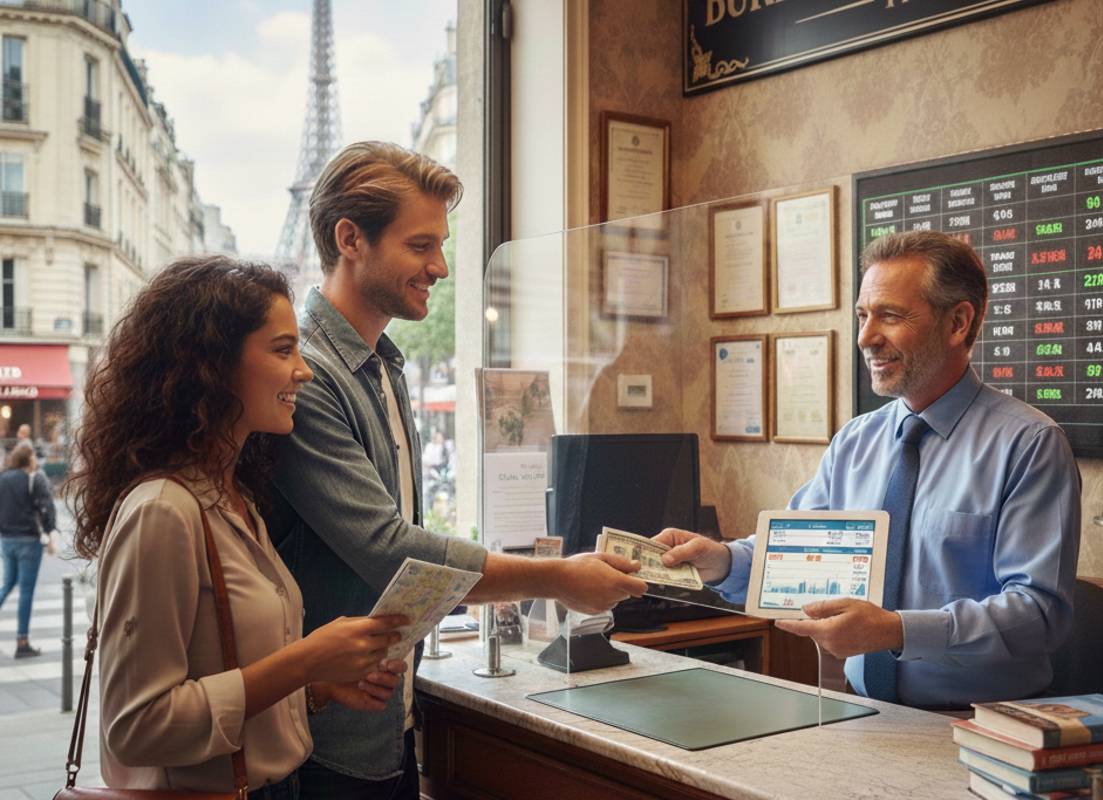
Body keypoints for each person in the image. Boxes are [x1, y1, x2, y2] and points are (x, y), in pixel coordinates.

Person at [267, 141, 647, 799]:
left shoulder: (384, 366)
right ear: (349, 238)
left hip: (386, 721)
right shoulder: (311, 380)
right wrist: (557, 578)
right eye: (420, 246)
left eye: (440, 246)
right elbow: (390, 550)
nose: (439, 266)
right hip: (326, 748)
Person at [657, 230, 1081, 709]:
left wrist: (898, 630)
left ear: (958, 322)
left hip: (983, 729)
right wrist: (722, 561)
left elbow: (1040, 612)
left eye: (890, 316)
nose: (865, 338)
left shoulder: (1029, 444)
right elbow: (792, 555)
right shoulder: (856, 440)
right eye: (862, 316)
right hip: (860, 710)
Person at [66, 257, 413, 797]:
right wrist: (306, 659)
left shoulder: (235, 499)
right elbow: (137, 728)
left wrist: (318, 685)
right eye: (282, 350)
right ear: (211, 364)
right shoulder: (163, 510)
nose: (304, 370)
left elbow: (226, 682)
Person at [0, 443, 56, 658]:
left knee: (7, 584)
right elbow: (46, 507)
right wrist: (51, 535)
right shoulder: (34, 478)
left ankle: (23, 639)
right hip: (28, 541)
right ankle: (22, 641)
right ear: (28, 458)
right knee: (26, 591)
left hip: (6, 540)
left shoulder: (3, 478)